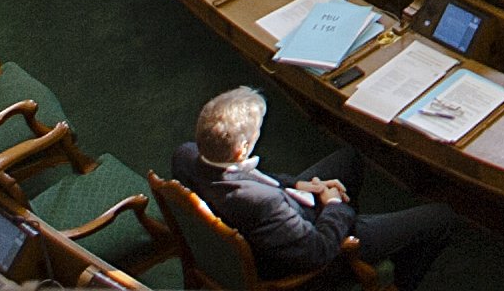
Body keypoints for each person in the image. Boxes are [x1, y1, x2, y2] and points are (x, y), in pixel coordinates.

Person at [174, 85, 454, 290]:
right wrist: (334, 205)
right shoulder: (264, 203)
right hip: (304, 253)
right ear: (242, 149)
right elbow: (317, 251)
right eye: (258, 128)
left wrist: (299, 184)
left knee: (350, 159)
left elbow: (253, 177)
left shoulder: (186, 156)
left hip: (269, 225)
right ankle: (389, 279)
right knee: (441, 218)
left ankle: (358, 245)